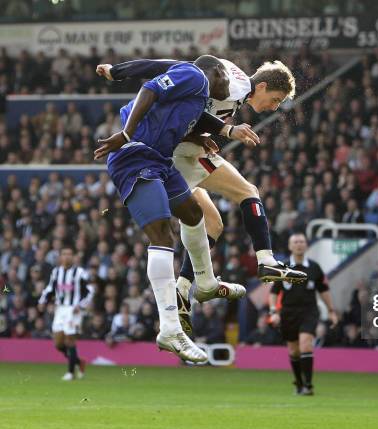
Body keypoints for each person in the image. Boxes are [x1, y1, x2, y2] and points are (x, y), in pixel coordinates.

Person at [96, 57, 308, 296]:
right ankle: (264, 260)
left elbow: (167, 66)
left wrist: (118, 71)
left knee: (213, 224)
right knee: (245, 193)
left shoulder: (230, 75)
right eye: (275, 99)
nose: (274, 107)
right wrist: (226, 129)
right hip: (178, 154)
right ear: (261, 87)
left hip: (180, 149)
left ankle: (184, 289)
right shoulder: (230, 86)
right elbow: (188, 95)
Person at [94, 57, 245, 363]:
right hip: (135, 154)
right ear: (215, 71)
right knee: (162, 234)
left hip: (161, 160)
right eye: (226, 79)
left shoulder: (196, 92)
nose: (228, 87)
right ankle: (170, 329)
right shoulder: (194, 75)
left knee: (192, 213)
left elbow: (154, 72)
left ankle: (206, 282)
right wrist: (126, 133)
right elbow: (150, 89)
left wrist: (221, 132)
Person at [268, 233, 339, 395]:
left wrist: (331, 311)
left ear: (306, 245)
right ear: (290, 246)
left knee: (306, 344)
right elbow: (273, 292)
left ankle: (308, 385)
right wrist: (273, 311)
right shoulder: (283, 267)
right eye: (296, 242)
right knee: (293, 351)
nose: (299, 244)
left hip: (309, 311)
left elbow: (324, 290)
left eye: (302, 242)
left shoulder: (314, 267)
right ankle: (299, 383)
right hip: (288, 313)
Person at [39, 246, 94, 381]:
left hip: (73, 309)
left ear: (73, 257)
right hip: (60, 309)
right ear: (60, 257)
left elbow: (90, 290)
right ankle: (78, 361)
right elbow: (50, 288)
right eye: (64, 254)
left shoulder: (80, 272)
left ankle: (70, 373)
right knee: (58, 344)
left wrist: (80, 305)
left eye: (69, 254)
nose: (67, 257)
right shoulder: (56, 272)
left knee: (70, 340)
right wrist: (42, 301)